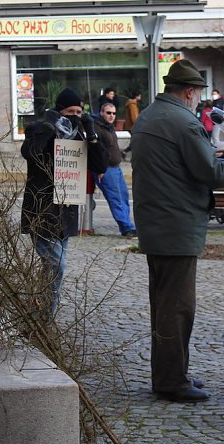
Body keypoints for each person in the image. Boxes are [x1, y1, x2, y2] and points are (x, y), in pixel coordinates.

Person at [131, 59, 224, 403]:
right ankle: (172, 381)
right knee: (177, 308)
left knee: (164, 304)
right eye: (198, 94)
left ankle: (171, 371)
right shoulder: (184, 122)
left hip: (157, 223)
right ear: (188, 92)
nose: (199, 100)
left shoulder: (151, 115)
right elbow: (210, 173)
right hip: (176, 226)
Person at [21, 87, 107, 317]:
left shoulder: (79, 134)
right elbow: (31, 152)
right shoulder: (38, 129)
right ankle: (45, 318)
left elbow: (100, 165)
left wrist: (91, 132)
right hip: (42, 209)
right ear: (59, 111)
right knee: (55, 266)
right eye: (70, 111)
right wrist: (49, 127)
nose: (75, 115)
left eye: (79, 111)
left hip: (66, 211)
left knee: (52, 268)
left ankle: (39, 312)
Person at [93, 102, 137, 237]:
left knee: (123, 197)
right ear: (101, 113)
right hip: (105, 169)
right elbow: (95, 150)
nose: (111, 116)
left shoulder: (109, 127)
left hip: (116, 168)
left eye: (113, 113)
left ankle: (128, 225)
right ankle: (126, 227)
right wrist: (100, 169)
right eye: (108, 113)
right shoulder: (96, 127)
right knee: (115, 198)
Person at [122, 90, 141, 159]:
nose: (140, 97)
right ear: (137, 96)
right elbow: (134, 116)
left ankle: (125, 152)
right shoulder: (132, 105)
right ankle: (132, 156)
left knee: (135, 141)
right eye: (139, 95)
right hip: (132, 126)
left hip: (130, 126)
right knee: (136, 141)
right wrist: (137, 124)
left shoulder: (132, 104)